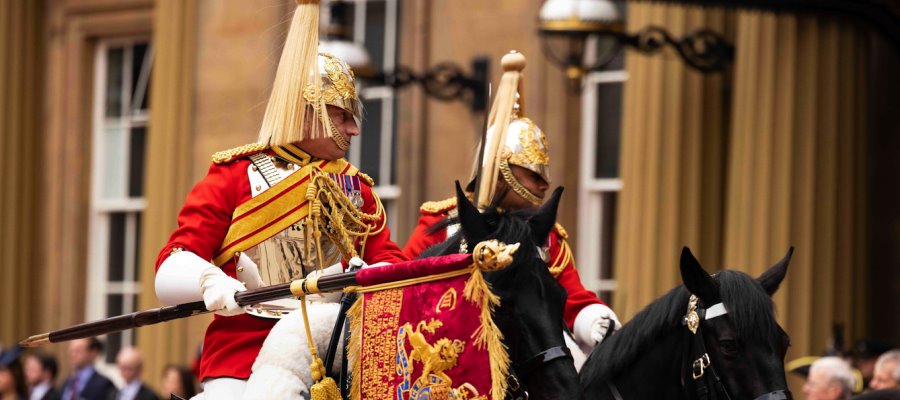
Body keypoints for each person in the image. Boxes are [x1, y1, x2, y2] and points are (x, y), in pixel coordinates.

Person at [152, 1, 406, 397]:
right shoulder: (234, 175)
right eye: (342, 116)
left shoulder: (358, 189)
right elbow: (172, 262)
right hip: (244, 358)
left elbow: (393, 265)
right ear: (306, 112)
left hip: (338, 352)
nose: (354, 129)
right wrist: (210, 281)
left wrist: (367, 276)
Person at [403, 51, 620, 354]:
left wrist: (592, 319)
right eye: (533, 174)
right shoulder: (443, 220)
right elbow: (403, 280)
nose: (544, 184)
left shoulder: (547, 236)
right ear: (501, 172)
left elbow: (572, 296)